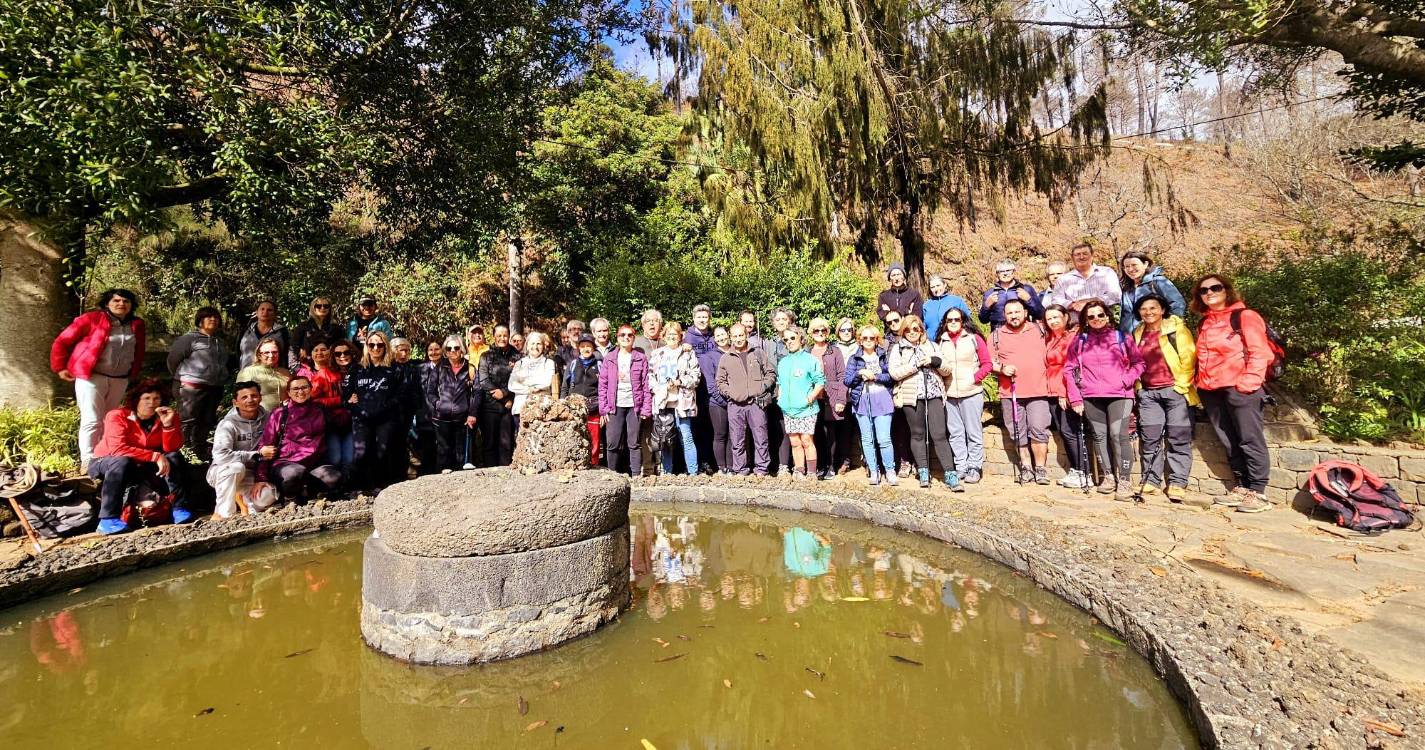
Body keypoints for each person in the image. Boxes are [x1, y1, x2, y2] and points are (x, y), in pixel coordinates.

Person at [1193, 274, 1275, 513]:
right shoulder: (1205, 322)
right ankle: (1242, 486)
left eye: (1215, 287)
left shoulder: (1245, 316)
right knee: (1229, 440)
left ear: (1226, 290)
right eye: (1203, 290)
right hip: (1211, 390)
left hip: (1240, 388)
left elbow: (1260, 352)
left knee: (1250, 438)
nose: (1209, 293)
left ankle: (1258, 491)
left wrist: (1248, 383)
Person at [50, 288, 145, 470]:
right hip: (92, 377)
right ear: (107, 303)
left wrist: (134, 373)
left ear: (131, 305)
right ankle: (88, 461)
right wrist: (60, 367)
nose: (121, 304)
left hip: (120, 379)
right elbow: (62, 341)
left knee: (109, 420)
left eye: (126, 301)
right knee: (92, 419)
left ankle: (103, 458)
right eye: (116, 300)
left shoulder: (137, 324)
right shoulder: (91, 319)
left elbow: (139, 350)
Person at [1065, 299, 1145, 500]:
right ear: (1086, 320)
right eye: (1091, 316)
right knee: (1099, 436)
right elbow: (1069, 369)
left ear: (1108, 316)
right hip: (1091, 395)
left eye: (1100, 314)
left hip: (1120, 395)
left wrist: (1125, 380)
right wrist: (1075, 398)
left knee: (1119, 435)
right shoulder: (1080, 341)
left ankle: (1124, 480)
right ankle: (1108, 476)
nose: (1096, 319)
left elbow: (1139, 363)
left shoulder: (1121, 337)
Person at [87, 380, 190, 535]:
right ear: (137, 400)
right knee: (121, 461)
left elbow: (171, 448)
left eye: (156, 399)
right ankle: (108, 519)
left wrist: (168, 425)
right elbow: (118, 449)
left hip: (142, 462)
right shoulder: (117, 415)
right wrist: (155, 456)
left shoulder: (167, 416)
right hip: (107, 460)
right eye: (146, 398)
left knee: (174, 457)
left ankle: (179, 508)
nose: (151, 403)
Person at [1133, 295, 1199, 502]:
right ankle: (1151, 480)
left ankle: (1178, 482)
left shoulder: (1176, 330)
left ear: (1162, 310)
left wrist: (1180, 387)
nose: (1148, 312)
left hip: (1174, 391)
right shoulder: (1138, 332)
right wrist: (1139, 389)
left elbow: (1189, 358)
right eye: (1144, 309)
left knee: (1178, 437)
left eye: (1153, 308)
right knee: (1150, 438)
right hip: (1148, 394)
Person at [888, 315, 959, 490]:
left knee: (939, 434)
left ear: (921, 330)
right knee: (917, 434)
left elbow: (947, 369)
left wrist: (935, 361)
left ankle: (950, 474)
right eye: (907, 330)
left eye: (915, 328)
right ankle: (923, 471)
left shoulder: (932, 346)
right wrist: (915, 365)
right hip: (911, 396)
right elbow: (894, 373)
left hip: (934, 394)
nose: (912, 332)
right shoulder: (898, 349)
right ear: (903, 332)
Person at [988, 298, 1054, 484]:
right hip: (1011, 393)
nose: (1014, 316)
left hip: (1038, 390)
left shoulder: (1040, 329)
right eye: (1009, 313)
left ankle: (1040, 468)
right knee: (1017, 432)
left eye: (1017, 312)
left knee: (1039, 429)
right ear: (1004, 315)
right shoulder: (996, 335)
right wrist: (1002, 369)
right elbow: (989, 362)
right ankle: (1026, 467)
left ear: (1025, 313)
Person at [256, 375, 342, 502]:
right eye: (295, 389)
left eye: (304, 387)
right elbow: (266, 446)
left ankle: (311, 495)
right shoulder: (280, 414)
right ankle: (290, 498)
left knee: (334, 477)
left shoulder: (320, 410)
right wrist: (261, 477)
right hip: (286, 463)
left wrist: (354, 403)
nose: (300, 392)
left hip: (315, 464)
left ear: (311, 389)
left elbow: (340, 422)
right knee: (295, 473)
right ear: (288, 392)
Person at [166, 306, 230, 461]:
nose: (213, 319)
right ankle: (183, 452)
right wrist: (183, 377)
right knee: (188, 420)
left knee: (207, 420)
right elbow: (173, 359)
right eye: (208, 317)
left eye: (216, 317)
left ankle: (199, 451)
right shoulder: (189, 339)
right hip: (191, 387)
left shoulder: (219, 342)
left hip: (215, 387)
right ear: (200, 320)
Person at [206, 381, 277, 518]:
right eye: (244, 397)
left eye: (254, 396)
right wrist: (257, 454)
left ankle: (244, 501)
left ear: (260, 398)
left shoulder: (269, 418)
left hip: (254, 472)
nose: (250, 400)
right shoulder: (227, 424)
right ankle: (223, 514)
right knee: (236, 468)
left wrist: (261, 477)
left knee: (267, 496)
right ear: (235, 402)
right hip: (224, 471)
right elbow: (221, 456)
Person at [938, 308, 991, 484]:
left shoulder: (974, 339)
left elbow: (987, 364)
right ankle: (961, 465)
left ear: (963, 321)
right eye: (949, 320)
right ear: (945, 322)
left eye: (957, 319)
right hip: (949, 393)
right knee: (955, 433)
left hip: (971, 392)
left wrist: (974, 379)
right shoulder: (941, 341)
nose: (953, 322)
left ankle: (974, 466)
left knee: (973, 432)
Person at [344, 330, 402, 491]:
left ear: (385, 346)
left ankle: (380, 487)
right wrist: (352, 404)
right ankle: (357, 487)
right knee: (361, 453)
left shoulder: (394, 369)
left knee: (382, 452)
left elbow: (400, 394)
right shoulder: (356, 369)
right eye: (372, 345)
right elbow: (347, 394)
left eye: (380, 345)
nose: (376, 348)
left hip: (385, 418)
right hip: (361, 418)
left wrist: (384, 407)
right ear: (366, 347)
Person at [716, 323, 775, 476]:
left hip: (756, 403)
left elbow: (770, 373)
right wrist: (730, 393)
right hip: (735, 405)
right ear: (731, 337)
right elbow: (720, 381)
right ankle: (740, 469)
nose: (738, 339)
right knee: (737, 440)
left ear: (746, 335)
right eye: (735, 336)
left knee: (761, 438)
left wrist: (762, 387)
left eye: (741, 335)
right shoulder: (725, 358)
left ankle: (761, 469)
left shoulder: (758, 353)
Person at [844, 325, 897, 486]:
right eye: (865, 338)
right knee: (867, 439)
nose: (868, 341)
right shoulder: (854, 358)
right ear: (860, 340)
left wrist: (875, 377)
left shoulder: (883, 355)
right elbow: (847, 380)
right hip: (862, 400)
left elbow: (891, 377)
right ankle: (874, 471)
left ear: (876, 340)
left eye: (871, 338)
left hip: (882, 399)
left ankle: (890, 470)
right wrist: (859, 373)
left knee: (884, 438)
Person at [1043, 305, 1088, 489]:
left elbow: (1070, 367)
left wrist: (1064, 392)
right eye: (1049, 318)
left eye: (1056, 317)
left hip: (1066, 390)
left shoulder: (1072, 337)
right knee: (1064, 431)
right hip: (1051, 390)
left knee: (1071, 431)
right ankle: (1075, 470)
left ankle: (1083, 472)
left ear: (1065, 317)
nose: (1053, 321)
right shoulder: (1049, 338)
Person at [649, 322, 701, 476]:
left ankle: (693, 473)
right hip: (663, 402)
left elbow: (696, 377)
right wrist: (659, 389)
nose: (672, 337)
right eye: (669, 334)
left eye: (675, 334)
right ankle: (666, 473)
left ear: (680, 336)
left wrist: (679, 382)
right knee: (665, 439)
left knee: (686, 437)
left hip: (682, 402)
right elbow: (650, 377)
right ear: (664, 336)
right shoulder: (657, 354)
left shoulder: (688, 353)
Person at [423, 334, 481, 472]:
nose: (453, 351)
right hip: (441, 417)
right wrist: (438, 405)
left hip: (463, 418)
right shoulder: (439, 368)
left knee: (461, 454)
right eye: (449, 348)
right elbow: (430, 391)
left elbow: (477, 392)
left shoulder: (470, 368)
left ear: (462, 349)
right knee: (443, 452)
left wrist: (472, 414)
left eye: (456, 348)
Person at [599, 324, 650, 475]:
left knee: (634, 443)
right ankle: (612, 475)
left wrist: (646, 408)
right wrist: (604, 409)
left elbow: (646, 385)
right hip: (614, 406)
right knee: (612, 443)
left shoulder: (640, 358)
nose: (626, 337)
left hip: (634, 406)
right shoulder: (610, 358)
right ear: (617, 338)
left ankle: (636, 476)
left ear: (633, 338)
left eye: (629, 335)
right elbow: (603, 385)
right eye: (622, 335)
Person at [776, 326, 826, 480]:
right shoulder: (783, 362)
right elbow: (780, 383)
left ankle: (811, 473)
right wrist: (780, 398)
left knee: (806, 440)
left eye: (792, 338)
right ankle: (799, 471)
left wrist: (811, 397)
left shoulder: (810, 360)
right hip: (788, 409)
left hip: (807, 409)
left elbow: (820, 382)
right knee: (794, 442)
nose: (789, 341)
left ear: (801, 339)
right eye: (786, 339)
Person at [807, 318, 848, 479]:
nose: (820, 333)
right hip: (813, 399)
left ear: (827, 332)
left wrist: (841, 399)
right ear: (811, 333)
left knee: (831, 434)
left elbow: (842, 376)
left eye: (823, 330)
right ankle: (820, 465)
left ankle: (831, 466)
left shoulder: (834, 351)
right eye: (816, 330)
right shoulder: (807, 352)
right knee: (817, 433)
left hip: (831, 397)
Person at [476, 325, 520, 467]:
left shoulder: (517, 356)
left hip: (509, 406)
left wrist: (506, 394)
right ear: (494, 336)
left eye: (505, 335)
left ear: (509, 336)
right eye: (499, 335)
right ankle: (490, 472)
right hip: (490, 405)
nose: (502, 338)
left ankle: (505, 470)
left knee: (506, 443)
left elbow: (520, 379)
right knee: (489, 443)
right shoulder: (486, 356)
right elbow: (483, 380)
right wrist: (499, 394)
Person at [1119, 251, 1188, 334]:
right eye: (1127, 266)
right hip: (1130, 337)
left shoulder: (1158, 281)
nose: (1130, 269)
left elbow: (1178, 304)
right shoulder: (1126, 288)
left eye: (1134, 265)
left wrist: (1166, 326)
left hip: (1156, 334)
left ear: (1145, 264)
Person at [684, 304, 717, 473]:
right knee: (693, 427)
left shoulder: (714, 336)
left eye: (705, 317)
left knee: (709, 426)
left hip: (712, 388)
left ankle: (707, 461)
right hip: (693, 390)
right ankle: (692, 464)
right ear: (693, 319)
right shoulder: (687, 338)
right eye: (699, 317)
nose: (702, 320)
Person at [563, 334, 603, 465]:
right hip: (574, 409)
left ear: (593, 348)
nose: (586, 349)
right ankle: (576, 465)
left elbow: (604, 388)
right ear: (578, 348)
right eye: (583, 346)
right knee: (575, 438)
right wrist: (563, 404)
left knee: (594, 440)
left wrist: (603, 410)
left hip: (594, 408)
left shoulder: (600, 365)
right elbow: (565, 386)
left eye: (589, 346)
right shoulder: (573, 364)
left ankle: (594, 465)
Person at [766, 308, 797, 475]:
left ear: (790, 321)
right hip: (772, 392)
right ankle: (776, 463)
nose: (780, 322)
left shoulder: (795, 338)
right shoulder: (768, 342)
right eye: (777, 319)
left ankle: (787, 464)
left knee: (789, 429)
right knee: (775, 428)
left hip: (791, 391)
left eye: (784, 319)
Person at [1052, 242, 1120, 318]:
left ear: (1092, 255)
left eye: (1085, 253)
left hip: (1103, 321)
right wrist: (1072, 305)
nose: (1081, 257)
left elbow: (1115, 296)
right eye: (1077, 254)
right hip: (1075, 323)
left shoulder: (1107, 272)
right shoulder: (1063, 279)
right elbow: (1056, 301)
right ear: (1072, 257)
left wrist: (1090, 301)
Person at [507, 331, 559, 428]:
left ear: (543, 346)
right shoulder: (519, 363)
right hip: (520, 408)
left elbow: (546, 382)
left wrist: (523, 382)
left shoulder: (549, 363)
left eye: (538, 343)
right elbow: (511, 385)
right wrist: (530, 389)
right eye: (532, 343)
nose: (535, 346)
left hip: (542, 408)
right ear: (527, 346)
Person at [700, 326, 732, 474]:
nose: (721, 338)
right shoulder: (708, 357)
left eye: (723, 334)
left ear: (728, 335)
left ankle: (731, 467)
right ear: (714, 339)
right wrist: (724, 401)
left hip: (735, 401)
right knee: (720, 435)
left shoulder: (735, 352)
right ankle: (721, 467)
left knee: (733, 435)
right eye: (717, 336)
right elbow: (711, 385)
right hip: (717, 403)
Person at [978, 259, 1043, 330]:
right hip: (999, 333)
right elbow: (983, 320)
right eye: (1002, 271)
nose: (1005, 274)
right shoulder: (990, 293)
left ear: (1014, 272)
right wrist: (986, 306)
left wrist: (1029, 300)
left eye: (1008, 270)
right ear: (997, 274)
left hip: (1022, 332)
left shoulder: (1026, 289)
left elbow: (1040, 315)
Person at [325, 341, 357, 477]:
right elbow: (314, 399)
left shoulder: (359, 370)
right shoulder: (325, 373)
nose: (342, 356)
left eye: (346, 352)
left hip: (353, 422)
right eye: (338, 354)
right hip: (333, 423)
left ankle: (346, 486)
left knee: (349, 459)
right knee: (335, 459)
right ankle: (333, 485)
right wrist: (340, 400)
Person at [236, 338, 292, 411]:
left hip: (285, 415)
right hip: (260, 415)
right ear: (259, 355)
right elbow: (240, 398)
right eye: (266, 352)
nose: (271, 355)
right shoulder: (248, 372)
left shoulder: (286, 372)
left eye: (275, 352)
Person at [238, 299, 291, 369]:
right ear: (257, 312)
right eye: (262, 309)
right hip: (247, 374)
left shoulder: (282, 332)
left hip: (274, 374)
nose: (265, 312)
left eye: (269, 310)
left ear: (275, 314)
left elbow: (287, 355)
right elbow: (238, 352)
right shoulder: (245, 331)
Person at [290, 297, 342, 368]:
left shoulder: (336, 328)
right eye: (318, 306)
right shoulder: (303, 326)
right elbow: (293, 347)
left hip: (330, 366)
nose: (322, 308)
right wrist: (296, 367)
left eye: (326, 306)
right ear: (313, 308)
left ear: (329, 309)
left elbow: (341, 347)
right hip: (306, 367)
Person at [923, 275, 974, 342]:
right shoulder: (926, 305)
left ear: (944, 285)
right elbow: (922, 326)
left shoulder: (957, 301)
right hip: (932, 343)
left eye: (938, 285)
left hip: (954, 342)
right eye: (932, 287)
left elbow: (968, 321)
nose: (936, 289)